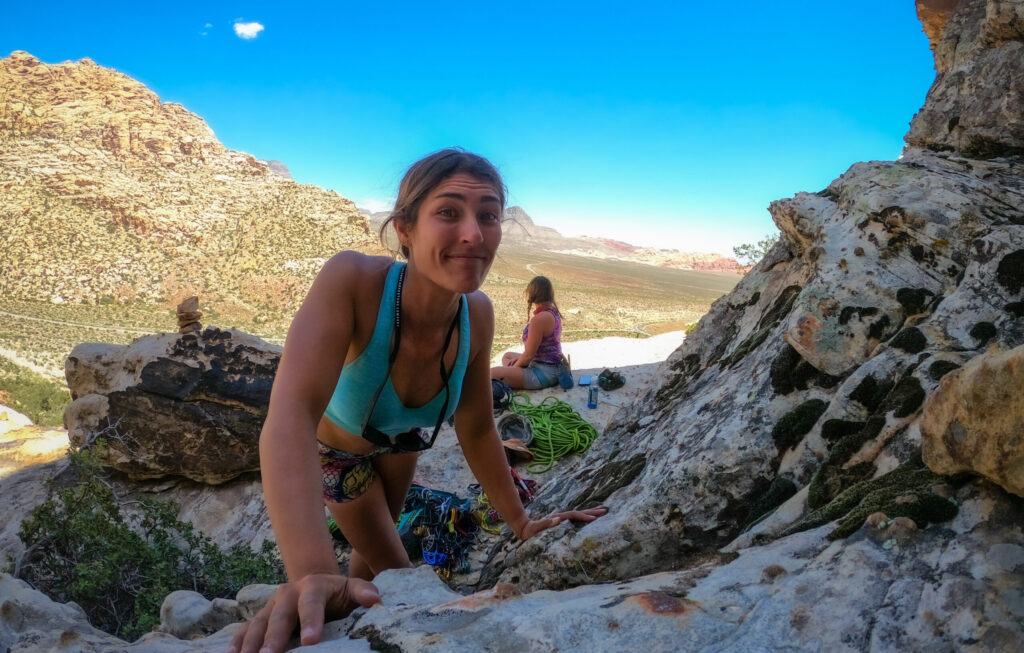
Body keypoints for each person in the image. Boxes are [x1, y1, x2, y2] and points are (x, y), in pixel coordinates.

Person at [230, 149, 607, 653]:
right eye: (449, 212)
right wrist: (311, 574)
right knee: (398, 582)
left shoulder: (478, 314)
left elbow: (475, 426)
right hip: (339, 458)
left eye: (488, 214)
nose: (473, 233)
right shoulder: (354, 283)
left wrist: (521, 523)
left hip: (402, 447)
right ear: (405, 229)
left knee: (370, 580)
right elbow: (291, 414)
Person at [490, 276, 567, 389]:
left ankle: (512, 374)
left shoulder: (539, 319)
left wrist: (514, 368)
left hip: (543, 373)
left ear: (532, 294)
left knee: (491, 373)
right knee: (507, 356)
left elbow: (528, 356)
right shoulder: (553, 312)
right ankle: (513, 373)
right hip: (550, 365)